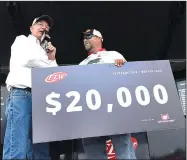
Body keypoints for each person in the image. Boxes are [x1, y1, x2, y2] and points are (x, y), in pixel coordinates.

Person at [3, 15, 58, 159]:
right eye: (40, 24)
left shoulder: (47, 51)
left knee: (41, 146)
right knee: (18, 143)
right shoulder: (22, 40)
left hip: (42, 98)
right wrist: (46, 62)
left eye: (47, 27)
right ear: (31, 28)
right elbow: (28, 59)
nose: (44, 27)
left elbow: (55, 75)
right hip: (22, 94)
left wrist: (51, 58)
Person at [79, 29, 136, 159]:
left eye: (89, 36)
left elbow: (130, 76)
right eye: (83, 38)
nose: (85, 39)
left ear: (100, 38)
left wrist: (123, 66)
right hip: (91, 114)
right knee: (92, 151)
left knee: (124, 151)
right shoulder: (82, 64)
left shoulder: (113, 55)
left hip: (115, 109)